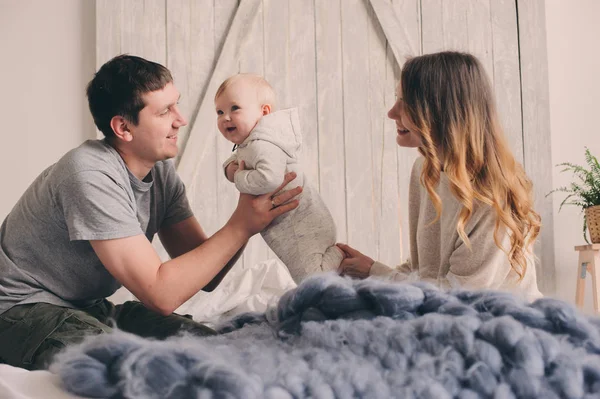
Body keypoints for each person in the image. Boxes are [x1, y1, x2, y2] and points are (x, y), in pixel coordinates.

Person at [0, 55, 301, 370]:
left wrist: (249, 209)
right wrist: (241, 225)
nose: (180, 120)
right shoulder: (88, 172)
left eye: (176, 105)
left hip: (88, 308)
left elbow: (207, 274)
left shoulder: (160, 173)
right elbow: (161, 293)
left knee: (217, 348)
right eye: (164, 111)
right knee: (148, 367)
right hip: (19, 311)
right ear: (123, 127)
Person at [338, 51, 543, 302]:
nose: (392, 113)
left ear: (441, 110)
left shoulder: (490, 195)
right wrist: (370, 271)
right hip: (451, 318)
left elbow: (458, 296)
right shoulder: (424, 170)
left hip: (507, 324)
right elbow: (425, 272)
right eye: (397, 99)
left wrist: (375, 273)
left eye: (406, 103)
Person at [215, 74, 344, 283]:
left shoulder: (263, 145)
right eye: (220, 112)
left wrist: (238, 176)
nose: (225, 117)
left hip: (302, 225)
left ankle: (339, 257)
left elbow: (269, 179)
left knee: (310, 279)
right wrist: (231, 169)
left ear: (264, 112)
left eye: (234, 108)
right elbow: (238, 158)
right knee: (305, 276)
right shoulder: (252, 143)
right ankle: (334, 269)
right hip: (295, 224)